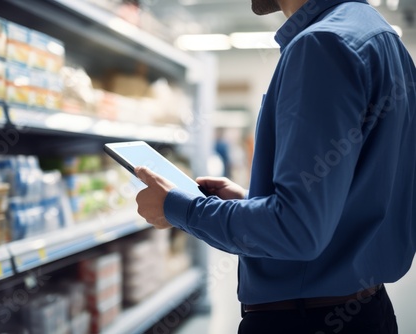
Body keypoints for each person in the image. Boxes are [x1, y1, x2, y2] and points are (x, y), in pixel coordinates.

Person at [134, 0, 416, 333]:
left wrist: (179, 208)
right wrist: (252, 202)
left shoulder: (322, 45)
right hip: (364, 311)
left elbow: (296, 231)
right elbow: (341, 204)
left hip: (304, 320)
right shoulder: (382, 39)